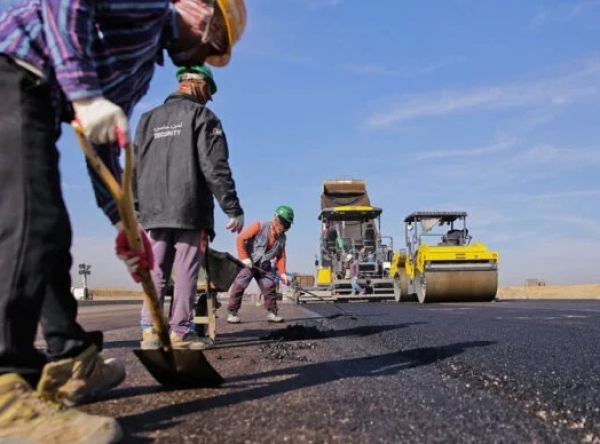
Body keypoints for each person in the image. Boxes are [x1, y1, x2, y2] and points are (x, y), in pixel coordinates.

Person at [0, 0, 246, 442]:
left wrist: (122, 221)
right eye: (213, 43)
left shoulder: (142, 67)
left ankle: (70, 358)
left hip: (39, 98)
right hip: (13, 71)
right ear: (201, 11)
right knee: (32, 223)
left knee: (50, 235)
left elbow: (105, 143)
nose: (205, 55)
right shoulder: (149, 5)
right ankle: (5, 392)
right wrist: (83, 94)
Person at [133, 64, 244, 351]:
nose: (207, 100)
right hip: (189, 207)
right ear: (199, 84)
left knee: (156, 269)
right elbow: (215, 166)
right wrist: (232, 208)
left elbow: (135, 167)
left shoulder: (147, 120)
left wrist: (137, 207)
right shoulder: (203, 117)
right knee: (185, 270)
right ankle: (180, 332)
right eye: (207, 93)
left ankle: (150, 331)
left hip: (153, 210)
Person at [227, 206, 294, 324]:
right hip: (249, 263)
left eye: (287, 225)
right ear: (275, 219)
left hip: (264, 266)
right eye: (283, 223)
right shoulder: (258, 226)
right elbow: (240, 239)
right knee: (239, 285)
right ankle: (232, 313)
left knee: (270, 286)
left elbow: (281, 257)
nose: (284, 227)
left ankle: (272, 313)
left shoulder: (282, 238)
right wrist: (244, 258)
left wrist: (283, 273)